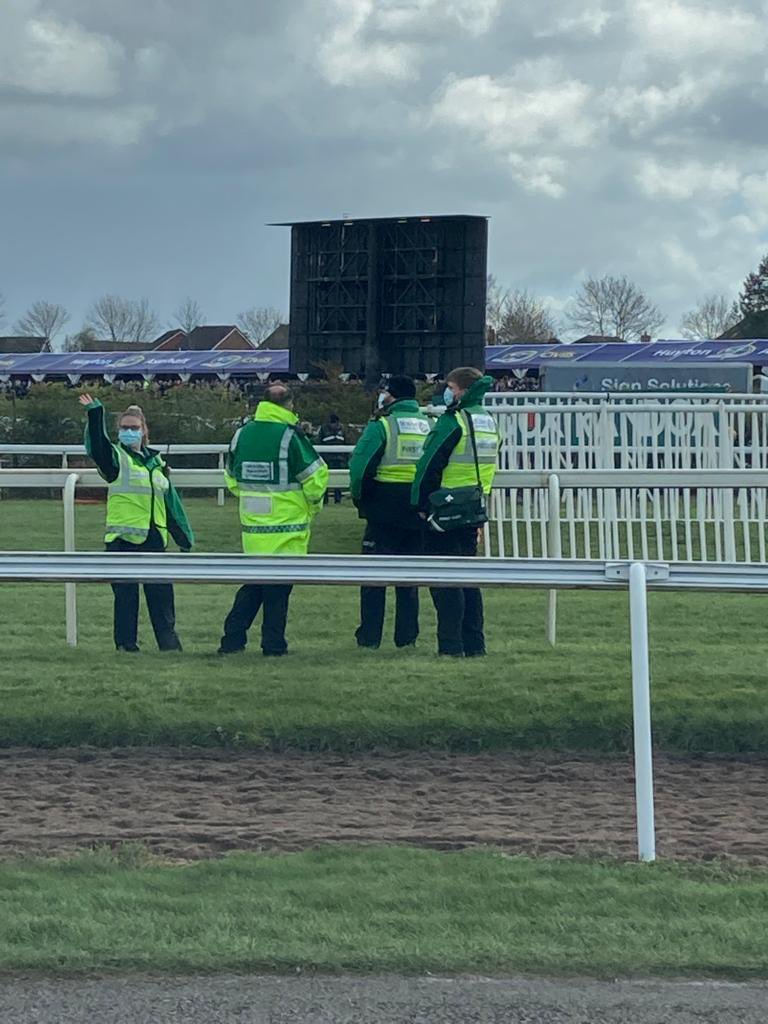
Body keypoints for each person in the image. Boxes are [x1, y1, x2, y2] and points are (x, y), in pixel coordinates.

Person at [218, 384, 328, 656]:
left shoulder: (241, 434)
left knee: (254, 585)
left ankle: (232, 640)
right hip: (287, 528)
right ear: (289, 405)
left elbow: (231, 477)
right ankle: (273, 644)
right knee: (278, 590)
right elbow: (315, 479)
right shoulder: (290, 437)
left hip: (253, 528)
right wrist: (313, 506)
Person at [79, 393, 194, 652]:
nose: (129, 432)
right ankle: (126, 646)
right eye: (124, 428)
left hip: (155, 540)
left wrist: (184, 537)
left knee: (162, 598)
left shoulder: (157, 463)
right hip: (122, 541)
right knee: (126, 598)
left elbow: (171, 503)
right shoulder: (115, 459)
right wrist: (95, 413)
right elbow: (97, 446)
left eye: (134, 428)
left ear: (144, 431)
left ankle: (170, 646)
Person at [411, 367, 499, 657]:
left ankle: (450, 646)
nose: (446, 392)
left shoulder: (453, 421)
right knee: (469, 580)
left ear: (460, 389)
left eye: (449, 387)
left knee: (445, 581)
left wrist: (421, 504)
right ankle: (475, 644)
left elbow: (429, 465)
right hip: (473, 507)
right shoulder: (487, 420)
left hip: (445, 510)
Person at [349, 375, 431, 649]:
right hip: (417, 508)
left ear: (391, 395)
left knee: (374, 576)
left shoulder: (382, 424)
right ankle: (407, 638)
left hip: (383, 509)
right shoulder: (428, 425)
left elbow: (360, 467)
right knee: (409, 580)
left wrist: (361, 500)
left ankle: (370, 638)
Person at [319, 413, 346, 504]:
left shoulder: (324, 428)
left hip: (331, 457)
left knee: (328, 479)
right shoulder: (342, 429)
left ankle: (330, 499)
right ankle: (334, 499)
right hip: (337, 457)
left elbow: (319, 441)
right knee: (334, 479)